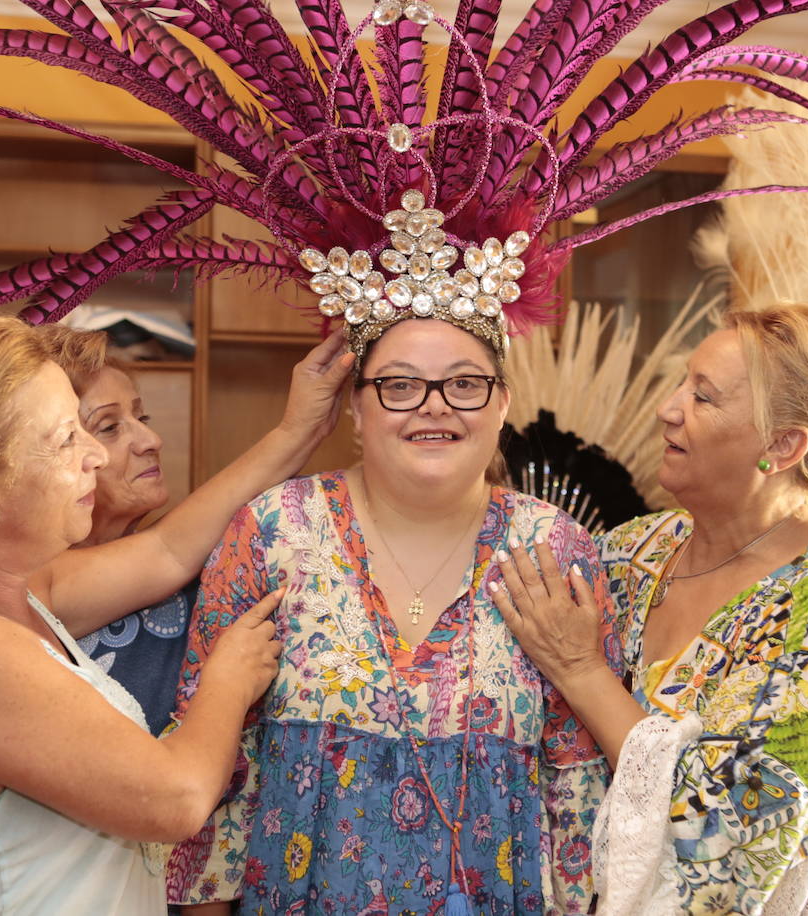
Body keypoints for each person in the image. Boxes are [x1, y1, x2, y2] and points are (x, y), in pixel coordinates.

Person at [0, 316, 351, 914]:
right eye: (68, 437)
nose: (97, 456)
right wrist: (228, 679)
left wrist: (299, 428)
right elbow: (176, 799)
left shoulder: (17, 590)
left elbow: (167, 549)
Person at [166, 311, 624, 914]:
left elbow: (579, 782)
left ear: (503, 402)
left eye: (464, 384)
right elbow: (218, 759)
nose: (434, 407)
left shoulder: (553, 548)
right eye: (400, 386)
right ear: (356, 407)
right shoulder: (275, 530)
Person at [492, 303, 808, 915]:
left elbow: (726, 848)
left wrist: (582, 671)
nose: (668, 408)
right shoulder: (635, 550)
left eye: (703, 397)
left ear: (784, 444)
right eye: (683, 381)